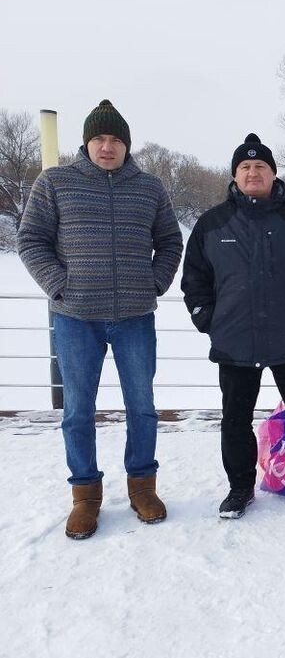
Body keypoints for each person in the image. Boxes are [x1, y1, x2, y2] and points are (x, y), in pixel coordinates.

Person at [17, 99, 183, 539]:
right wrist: (59, 285)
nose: (107, 147)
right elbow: (30, 240)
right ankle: (85, 496)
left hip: (135, 317)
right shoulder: (56, 182)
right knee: (77, 410)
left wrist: (154, 282)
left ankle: (142, 487)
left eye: (115, 140)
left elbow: (170, 241)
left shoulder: (150, 188)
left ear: (126, 145)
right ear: (86, 143)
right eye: (99, 139)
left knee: (142, 407)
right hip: (76, 318)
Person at [181, 133, 285, 525]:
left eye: (260, 166)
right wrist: (207, 318)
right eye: (245, 167)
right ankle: (240, 488)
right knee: (235, 420)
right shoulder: (212, 223)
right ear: (235, 175)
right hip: (234, 341)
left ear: (273, 173)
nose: (253, 172)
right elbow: (194, 278)